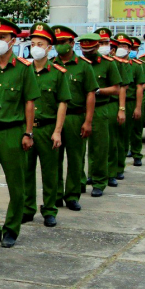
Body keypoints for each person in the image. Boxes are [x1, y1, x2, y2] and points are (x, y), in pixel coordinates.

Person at [0, 17, 39, 249]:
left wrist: (28, 133)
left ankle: (12, 229)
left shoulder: (23, 69)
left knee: (16, 184)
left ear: (13, 40)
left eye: (2, 37)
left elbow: (29, 104)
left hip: (13, 132)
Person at [22, 24, 71, 228]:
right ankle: (27, 208)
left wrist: (58, 131)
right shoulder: (24, 70)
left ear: (49, 48)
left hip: (48, 127)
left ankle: (49, 209)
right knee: (26, 171)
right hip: (27, 129)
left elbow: (63, 102)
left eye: (40, 44)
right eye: (33, 44)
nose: (36, 48)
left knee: (50, 172)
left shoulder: (58, 72)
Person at [52, 26, 96, 211]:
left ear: (71, 43)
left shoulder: (83, 66)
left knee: (75, 158)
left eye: (63, 42)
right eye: (57, 43)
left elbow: (90, 94)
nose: (59, 46)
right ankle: (55, 195)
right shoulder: (50, 64)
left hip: (76, 117)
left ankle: (72, 195)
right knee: (54, 159)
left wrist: (87, 121)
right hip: (53, 119)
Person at [81, 32, 121, 197]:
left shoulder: (108, 64)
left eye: (90, 50)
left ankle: (99, 181)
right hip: (79, 110)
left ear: (97, 47)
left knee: (99, 147)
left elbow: (116, 89)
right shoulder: (79, 64)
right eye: (84, 50)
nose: (87, 53)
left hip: (100, 108)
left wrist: (98, 91)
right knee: (79, 150)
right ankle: (81, 180)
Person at [110, 34, 135, 182]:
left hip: (120, 102)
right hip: (101, 104)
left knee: (119, 138)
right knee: (102, 143)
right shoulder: (103, 63)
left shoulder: (124, 64)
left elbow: (123, 88)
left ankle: (117, 168)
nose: (120, 49)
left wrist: (122, 108)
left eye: (124, 46)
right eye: (118, 46)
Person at [129, 36, 145, 166]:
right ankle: (135, 151)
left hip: (143, 92)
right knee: (136, 125)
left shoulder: (141, 63)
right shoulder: (141, 60)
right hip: (143, 94)